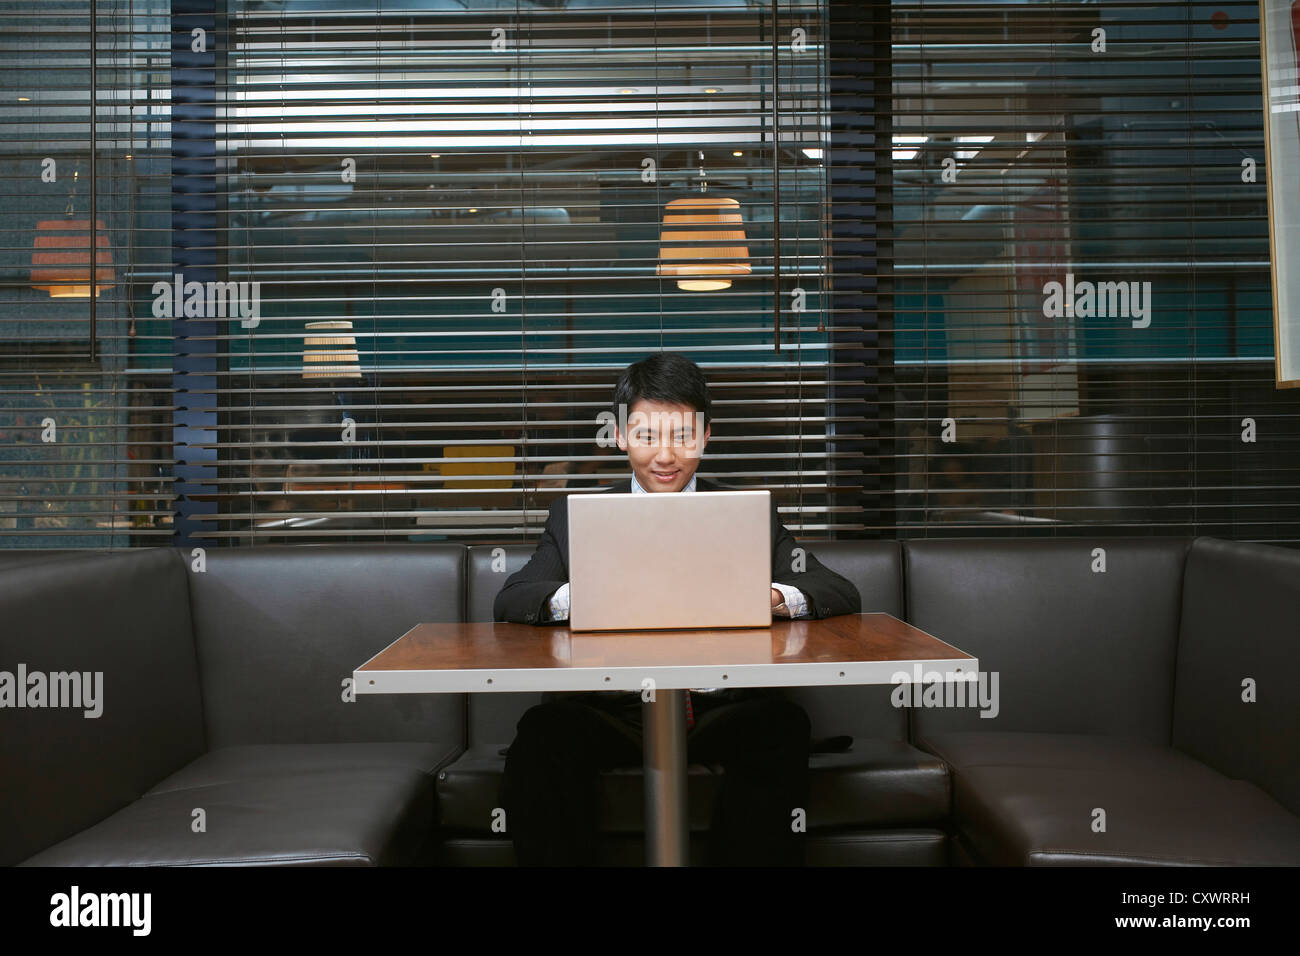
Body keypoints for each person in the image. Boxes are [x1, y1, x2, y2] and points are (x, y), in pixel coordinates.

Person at [494, 352, 861, 866]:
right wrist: (587, 595)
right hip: (614, 711)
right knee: (542, 735)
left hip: (718, 708)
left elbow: (837, 588)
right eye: (647, 436)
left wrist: (775, 597)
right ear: (620, 436)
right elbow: (513, 597)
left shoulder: (749, 512)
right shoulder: (573, 516)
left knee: (781, 726)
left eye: (683, 435)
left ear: (706, 435)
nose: (665, 455)